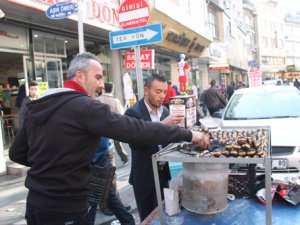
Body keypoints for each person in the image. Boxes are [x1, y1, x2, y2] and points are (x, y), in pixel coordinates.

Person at [9, 52, 209, 225]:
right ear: (79, 76)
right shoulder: (85, 107)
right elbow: (135, 130)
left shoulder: (40, 105)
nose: (101, 84)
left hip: (35, 204)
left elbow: (17, 153)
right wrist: (189, 134)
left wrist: (50, 164)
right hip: (66, 207)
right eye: (97, 77)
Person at [125, 74, 187, 221]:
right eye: (157, 91)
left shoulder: (165, 111)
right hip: (144, 176)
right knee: (147, 218)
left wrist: (181, 130)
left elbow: (168, 141)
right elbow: (135, 143)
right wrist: (164, 125)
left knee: (164, 214)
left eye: (164, 92)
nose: (162, 96)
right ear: (146, 90)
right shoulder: (133, 113)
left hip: (163, 173)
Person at [88, 137, 135, 225]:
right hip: (99, 160)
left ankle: (128, 221)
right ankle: (129, 221)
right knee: (107, 198)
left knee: (91, 205)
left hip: (95, 162)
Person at [98, 82, 129, 165]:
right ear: (112, 89)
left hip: (101, 127)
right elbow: (121, 114)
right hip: (114, 126)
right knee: (117, 143)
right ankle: (124, 158)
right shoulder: (115, 100)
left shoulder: (98, 99)